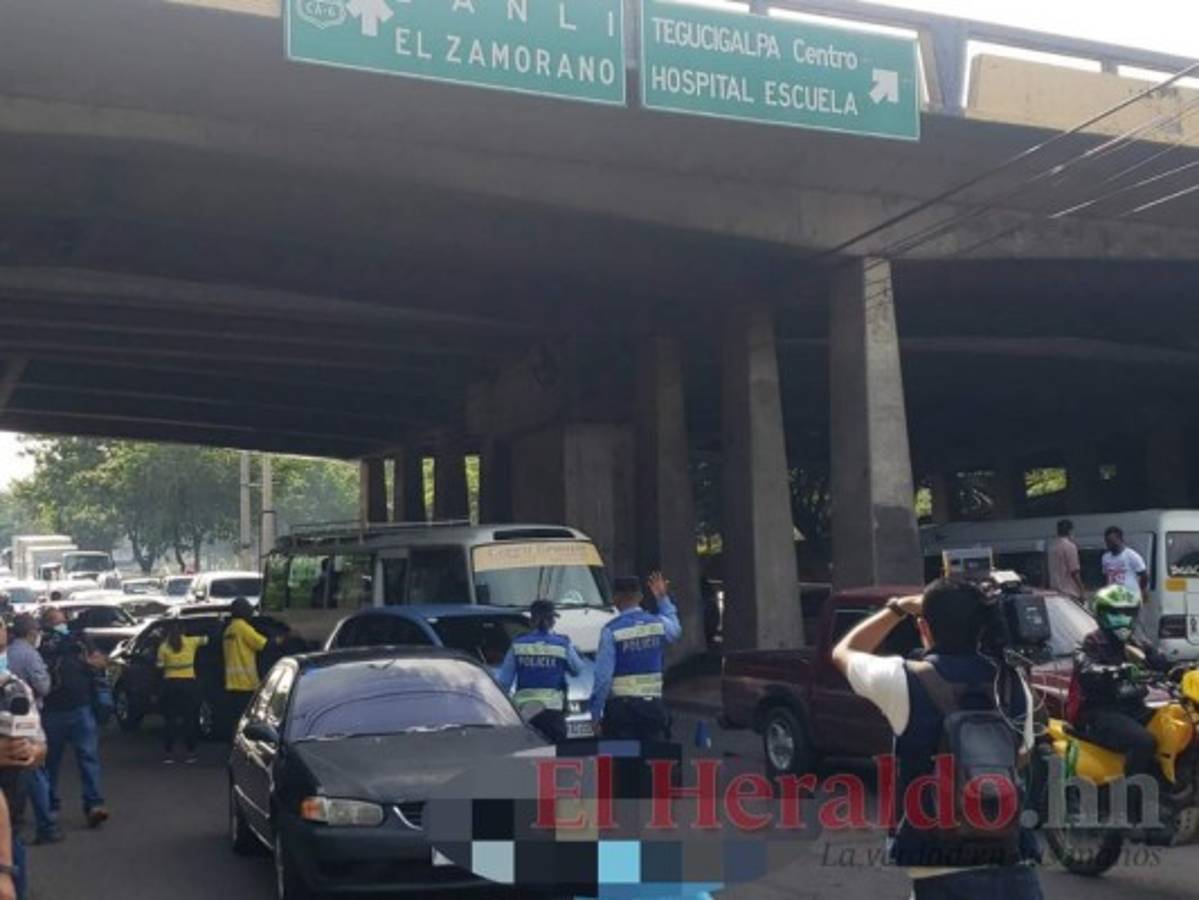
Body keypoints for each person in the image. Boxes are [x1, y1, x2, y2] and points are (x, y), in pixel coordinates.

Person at [831, 579, 1041, 900]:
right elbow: (1021, 758)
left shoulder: (904, 679)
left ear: (924, 627)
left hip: (940, 869)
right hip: (1013, 866)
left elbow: (844, 652)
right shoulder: (1013, 684)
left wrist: (896, 608)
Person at [1072, 585, 1170, 777]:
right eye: (1116, 613)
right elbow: (1085, 668)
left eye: (1128, 612)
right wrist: (1118, 670)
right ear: (1101, 614)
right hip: (1100, 711)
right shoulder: (1090, 643)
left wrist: (1176, 667)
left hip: (1134, 707)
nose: (1123, 618)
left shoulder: (1137, 642)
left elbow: (1160, 662)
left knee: (1174, 725)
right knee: (1143, 742)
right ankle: (1132, 798)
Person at [38, 607, 108, 829]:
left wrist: (91, 662)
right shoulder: (41, 645)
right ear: (47, 625)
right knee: (51, 763)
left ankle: (94, 804)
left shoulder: (79, 640)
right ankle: (50, 806)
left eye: (63, 622)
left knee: (87, 757)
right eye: (57, 623)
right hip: (53, 710)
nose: (62, 627)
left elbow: (99, 662)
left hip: (79, 706)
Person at [590, 573, 681, 741]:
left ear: (615, 599)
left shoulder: (611, 630)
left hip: (622, 713)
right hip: (652, 708)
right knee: (652, 759)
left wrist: (595, 715)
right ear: (640, 597)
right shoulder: (658, 623)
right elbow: (675, 630)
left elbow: (603, 679)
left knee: (623, 761)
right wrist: (662, 598)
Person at [496, 600, 584, 743]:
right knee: (554, 759)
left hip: (526, 714)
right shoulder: (562, 644)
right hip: (553, 713)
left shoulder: (518, 644)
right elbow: (577, 670)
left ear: (532, 620)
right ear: (552, 621)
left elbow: (504, 683)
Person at [5, 616, 58, 845]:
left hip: (8, 726)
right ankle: (46, 825)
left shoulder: (9, 661)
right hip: (24, 725)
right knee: (34, 771)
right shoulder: (29, 655)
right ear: (32, 632)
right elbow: (44, 687)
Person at [156, 620, 209, 764]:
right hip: (188, 684)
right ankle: (191, 753)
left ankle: (168, 753)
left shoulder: (163, 647)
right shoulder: (192, 642)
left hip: (170, 685)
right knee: (189, 719)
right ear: (184, 630)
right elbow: (207, 639)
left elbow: (159, 666)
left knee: (170, 720)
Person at [222, 598, 271, 732]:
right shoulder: (242, 628)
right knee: (247, 722)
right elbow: (262, 644)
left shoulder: (229, 630)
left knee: (236, 720)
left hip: (232, 684)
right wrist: (280, 640)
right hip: (246, 683)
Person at [1101, 526, 1149, 603]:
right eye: (1107, 542)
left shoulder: (1131, 555)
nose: (1110, 545)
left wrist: (1142, 590)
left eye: (1112, 542)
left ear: (1120, 540)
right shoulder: (1105, 558)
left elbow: (1144, 574)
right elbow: (1106, 576)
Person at [1047, 519, 1085, 601]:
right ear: (1070, 531)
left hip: (1054, 590)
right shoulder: (1070, 546)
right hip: (1069, 592)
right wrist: (1082, 590)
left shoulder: (1051, 547)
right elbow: (1074, 571)